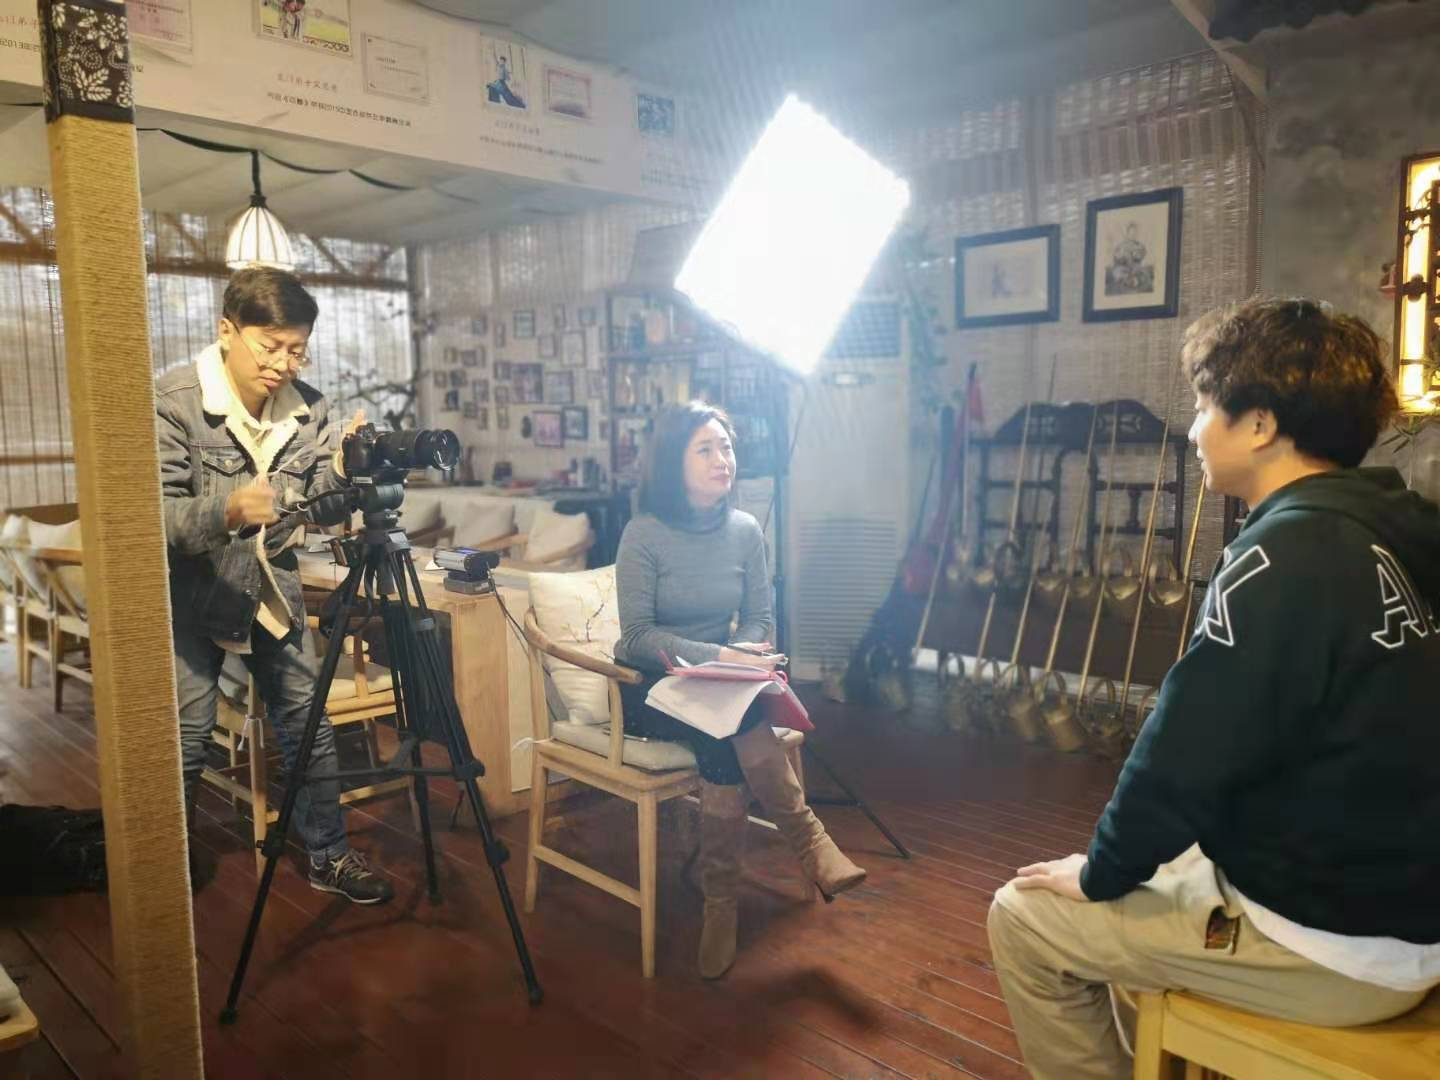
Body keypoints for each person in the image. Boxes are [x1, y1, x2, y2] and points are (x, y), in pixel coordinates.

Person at [985, 296, 1440, 1079]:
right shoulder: (1393, 529)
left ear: (1259, 424)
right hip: (1404, 903)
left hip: (1339, 945)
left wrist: (1100, 872)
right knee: (1172, 860)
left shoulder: (1281, 557)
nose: (1194, 429)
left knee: (1024, 917)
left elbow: (1182, 755)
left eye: (1203, 406)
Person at [156, 266, 393, 905]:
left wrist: (342, 469)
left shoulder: (308, 407)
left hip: (272, 591)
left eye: (297, 350)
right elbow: (154, 517)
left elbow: (317, 508)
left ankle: (329, 856)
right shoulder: (175, 399)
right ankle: (164, 874)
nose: (284, 364)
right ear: (227, 331)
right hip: (195, 595)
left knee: (309, 726)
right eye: (270, 346)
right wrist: (226, 510)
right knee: (188, 734)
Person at [615, 402, 866, 979]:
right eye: (704, 449)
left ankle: (721, 906)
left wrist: (745, 653)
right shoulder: (644, 533)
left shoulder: (745, 530)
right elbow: (635, 637)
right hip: (655, 688)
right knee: (734, 730)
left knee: (732, 722)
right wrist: (719, 657)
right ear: (672, 463)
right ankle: (807, 846)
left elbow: (759, 618)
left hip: (726, 686)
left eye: (725, 446)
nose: (722, 459)